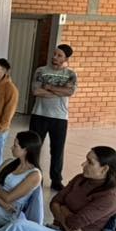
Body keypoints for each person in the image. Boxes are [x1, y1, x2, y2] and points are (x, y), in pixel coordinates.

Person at [30, 44, 78, 190]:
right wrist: (59, 92)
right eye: (54, 54)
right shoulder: (41, 71)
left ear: (66, 59)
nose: (55, 57)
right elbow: (36, 91)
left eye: (59, 55)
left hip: (59, 117)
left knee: (57, 150)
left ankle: (56, 180)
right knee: (34, 148)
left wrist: (50, 88)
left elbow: (70, 92)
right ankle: (34, 178)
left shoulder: (70, 74)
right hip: (39, 114)